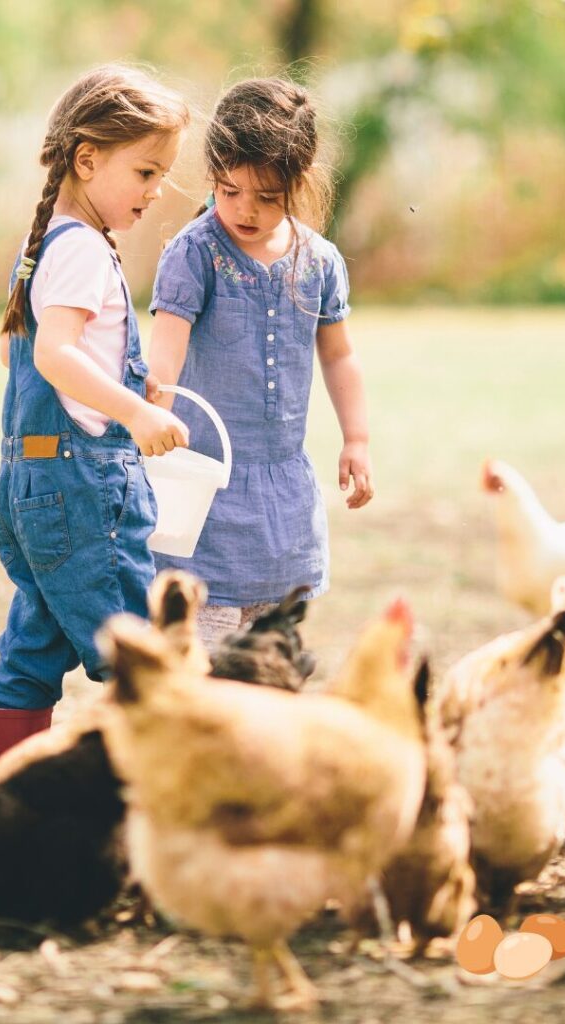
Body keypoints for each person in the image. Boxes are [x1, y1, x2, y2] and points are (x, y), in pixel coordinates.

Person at [0, 65, 191, 763]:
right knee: (138, 651)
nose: (156, 190)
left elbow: (32, 364)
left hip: (32, 489)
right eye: (146, 171)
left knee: (34, 647)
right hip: (80, 492)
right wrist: (133, 412)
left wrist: (128, 390)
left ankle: (12, 793)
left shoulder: (48, 244)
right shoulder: (80, 251)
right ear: (87, 158)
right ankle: (152, 798)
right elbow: (53, 356)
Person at [148, 78, 373, 647]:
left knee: (273, 659)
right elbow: (165, 354)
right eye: (230, 191)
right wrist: (152, 417)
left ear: (298, 184)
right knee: (206, 657)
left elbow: (340, 355)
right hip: (204, 492)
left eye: (268, 197)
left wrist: (357, 439)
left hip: (283, 501)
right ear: (213, 177)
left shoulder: (319, 261)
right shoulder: (194, 254)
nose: (246, 209)